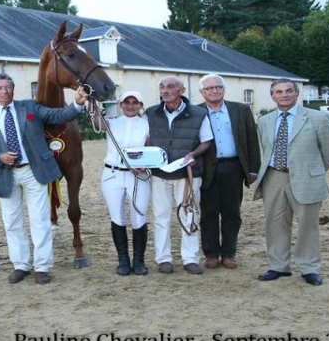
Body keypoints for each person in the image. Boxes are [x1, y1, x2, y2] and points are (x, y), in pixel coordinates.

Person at [0, 72, 88, 285]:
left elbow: (59, 115)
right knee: (12, 222)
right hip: (5, 174)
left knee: (40, 220)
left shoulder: (30, 107)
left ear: (13, 89)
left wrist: (78, 104)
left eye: (8, 87)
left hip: (34, 171)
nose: (4, 91)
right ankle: (21, 265)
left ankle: (42, 267)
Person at [253, 78, 329, 286]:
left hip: (306, 179)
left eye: (288, 91)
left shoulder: (318, 118)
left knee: (307, 225)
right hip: (274, 177)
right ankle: (278, 266)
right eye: (279, 92)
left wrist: (312, 172)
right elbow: (266, 149)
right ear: (273, 96)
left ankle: (309, 268)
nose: (284, 95)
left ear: (296, 93)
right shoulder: (265, 121)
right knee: (275, 223)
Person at [146, 76, 213, 275]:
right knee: (161, 217)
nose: (165, 90)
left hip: (187, 174)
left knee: (189, 215)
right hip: (160, 174)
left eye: (171, 86)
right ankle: (163, 258)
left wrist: (193, 154)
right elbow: (147, 139)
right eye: (162, 87)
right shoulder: (151, 113)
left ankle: (190, 258)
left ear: (181, 90)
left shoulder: (199, 114)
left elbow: (206, 141)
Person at [198, 74, 261, 270]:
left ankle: (229, 253)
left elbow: (251, 140)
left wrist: (253, 169)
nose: (214, 91)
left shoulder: (240, 110)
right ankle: (211, 254)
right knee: (208, 212)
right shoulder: (196, 112)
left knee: (232, 212)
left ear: (223, 89)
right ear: (202, 92)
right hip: (208, 169)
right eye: (209, 88)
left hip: (234, 167)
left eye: (218, 87)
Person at [98, 91, 152, 276]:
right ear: (121, 104)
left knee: (139, 215)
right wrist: (90, 102)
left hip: (137, 175)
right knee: (117, 217)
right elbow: (97, 123)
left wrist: (144, 164)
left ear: (140, 105)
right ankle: (123, 260)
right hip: (112, 174)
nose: (130, 106)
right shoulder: (112, 121)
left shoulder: (146, 124)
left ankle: (139, 260)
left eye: (134, 102)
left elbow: (150, 148)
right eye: (127, 102)